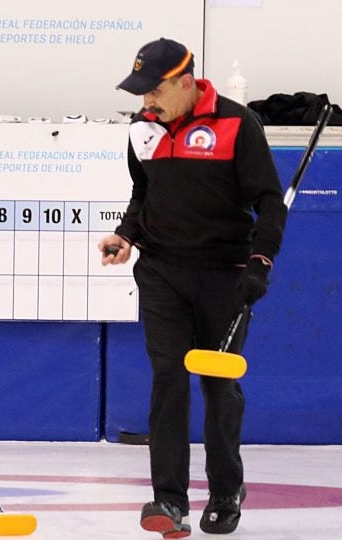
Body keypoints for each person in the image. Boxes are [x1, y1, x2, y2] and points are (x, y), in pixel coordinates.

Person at [99, 38, 286, 538]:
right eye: (141, 92)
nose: (147, 102)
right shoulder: (142, 127)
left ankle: (225, 490)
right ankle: (169, 499)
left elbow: (270, 200)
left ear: (186, 83)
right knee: (168, 378)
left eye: (154, 91)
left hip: (224, 273)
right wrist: (126, 234)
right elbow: (144, 191)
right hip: (162, 272)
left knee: (218, 384)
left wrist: (260, 262)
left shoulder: (237, 123)